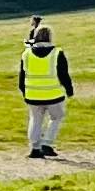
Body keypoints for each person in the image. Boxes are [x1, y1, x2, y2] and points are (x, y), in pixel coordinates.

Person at [18, 21, 74, 160]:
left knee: (35, 120)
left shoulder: (26, 54)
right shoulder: (57, 53)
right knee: (57, 117)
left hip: (32, 95)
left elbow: (22, 76)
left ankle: (35, 148)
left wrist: (24, 91)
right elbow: (63, 74)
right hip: (53, 94)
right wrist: (69, 89)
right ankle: (47, 143)